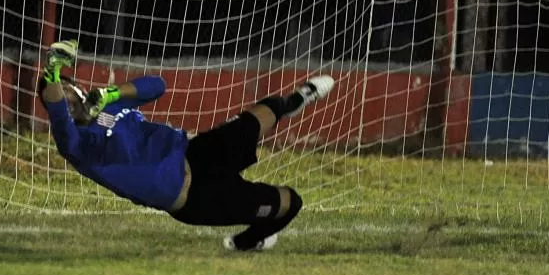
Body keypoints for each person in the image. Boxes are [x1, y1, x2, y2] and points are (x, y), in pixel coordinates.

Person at [40, 40, 335, 251]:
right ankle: (248, 241)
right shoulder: (75, 144)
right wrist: (52, 70)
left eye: (67, 88)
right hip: (194, 198)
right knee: (290, 202)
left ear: (79, 88)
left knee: (264, 111)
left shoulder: (110, 107)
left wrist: (111, 93)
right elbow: (56, 109)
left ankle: (295, 101)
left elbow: (157, 85)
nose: (65, 96)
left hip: (197, 152)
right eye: (58, 94)